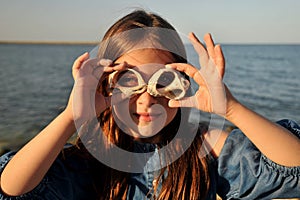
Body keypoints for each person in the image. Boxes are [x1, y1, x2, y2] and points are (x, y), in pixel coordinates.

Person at [0, 9, 299, 200]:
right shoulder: (91, 155)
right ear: (106, 82)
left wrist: (231, 109)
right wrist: (71, 117)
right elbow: (11, 190)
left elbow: (294, 172)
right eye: (128, 80)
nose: (147, 98)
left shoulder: (205, 146)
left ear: (182, 81)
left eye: (163, 81)